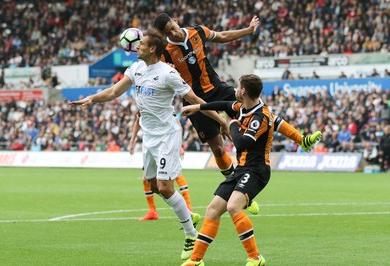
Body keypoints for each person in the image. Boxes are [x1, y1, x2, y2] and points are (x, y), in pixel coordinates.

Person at [70, 28, 229, 261]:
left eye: (141, 44)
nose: (137, 47)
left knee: (165, 187)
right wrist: (92, 98)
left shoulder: (168, 74)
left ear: (152, 48)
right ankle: (188, 216)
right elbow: (115, 91)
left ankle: (190, 233)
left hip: (167, 135)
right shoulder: (135, 69)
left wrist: (220, 120)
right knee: (153, 185)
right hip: (149, 136)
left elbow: (195, 99)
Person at [153, 13, 321, 215]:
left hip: (218, 88)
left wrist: (248, 30)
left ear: (176, 21)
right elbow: (158, 74)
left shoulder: (197, 31)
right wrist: (165, 70)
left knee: (260, 110)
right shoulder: (165, 54)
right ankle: (238, 187)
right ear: (163, 35)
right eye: (168, 32)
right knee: (217, 148)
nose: (174, 32)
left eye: (173, 26)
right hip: (193, 97)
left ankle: (301, 140)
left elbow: (222, 36)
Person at [180, 74, 322, 266]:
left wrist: (231, 125)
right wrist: (197, 107)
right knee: (212, 210)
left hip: (257, 170)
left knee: (232, 207)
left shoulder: (260, 117)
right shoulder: (242, 108)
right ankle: (196, 260)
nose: (235, 91)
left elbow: (242, 143)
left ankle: (255, 258)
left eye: (238, 87)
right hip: (241, 169)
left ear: (244, 91)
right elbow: (223, 105)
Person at [129, 113, 195, 221]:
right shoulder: (143, 103)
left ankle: (188, 207)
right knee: (146, 179)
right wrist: (132, 140)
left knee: (176, 175)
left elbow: (176, 122)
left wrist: (179, 145)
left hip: (166, 144)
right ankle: (152, 211)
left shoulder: (162, 104)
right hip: (151, 145)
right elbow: (137, 121)